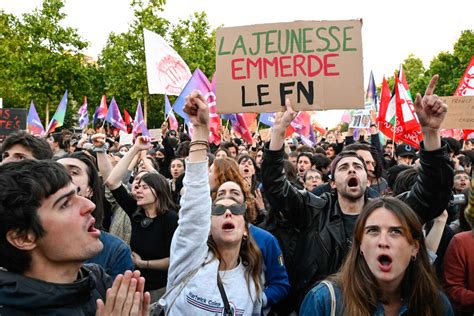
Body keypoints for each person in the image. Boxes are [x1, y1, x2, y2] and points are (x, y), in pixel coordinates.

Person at [261, 74, 454, 310]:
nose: (352, 169)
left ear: (368, 178)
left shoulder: (390, 211)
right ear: (332, 182)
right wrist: (278, 133)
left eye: (358, 167)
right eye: (343, 167)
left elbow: (432, 194)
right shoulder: (311, 210)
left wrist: (431, 133)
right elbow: (275, 186)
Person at [158, 90, 264, 315]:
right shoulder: (190, 257)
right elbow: (195, 201)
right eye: (218, 207)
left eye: (235, 205)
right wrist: (200, 129)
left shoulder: (252, 281)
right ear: (207, 225)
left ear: (245, 229)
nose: (227, 211)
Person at [0, 159, 149, 314]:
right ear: (23, 238)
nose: (90, 205)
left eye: (78, 194)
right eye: (65, 203)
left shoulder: (98, 281)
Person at [300, 197, 453, 315]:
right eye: (373, 230)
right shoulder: (325, 301)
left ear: (414, 247)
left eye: (396, 232)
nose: (383, 242)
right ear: (360, 245)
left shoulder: (436, 304)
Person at [106, 136, 179, 302]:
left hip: (162, 289)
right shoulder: (136, 211)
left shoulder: (171, 219)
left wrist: (143, 263)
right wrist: (136, 148)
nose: (138, 190)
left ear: (159, 191)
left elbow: (175, 258)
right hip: (135, 285)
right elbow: (112, 181)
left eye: (145, 188)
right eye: (137, 187)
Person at [57, 152, 134, 278]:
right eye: (56, 171)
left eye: (74, 172)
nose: (63, 176)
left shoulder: (114, 251)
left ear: (89, 189)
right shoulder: (32, 240)